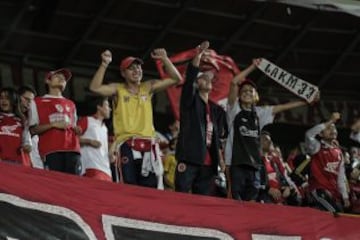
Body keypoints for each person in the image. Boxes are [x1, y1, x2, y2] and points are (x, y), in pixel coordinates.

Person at [89, 48, 181, 189]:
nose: (136, 70)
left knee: (150, 187)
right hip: (126, 144)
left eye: (138, 67)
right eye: (131, 68)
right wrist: (104, 64)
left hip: (148, 145)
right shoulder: (118, 89)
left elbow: (176, 79)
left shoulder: (148, 87)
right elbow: (95, 88)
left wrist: (165, 59)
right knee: (128, 185)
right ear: (123, 73)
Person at [225, 59, 312, 201]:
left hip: (254, 165)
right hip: (235, 163)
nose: (247, 92)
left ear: (255, 97)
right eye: (244, 91)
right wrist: (254, 66)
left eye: (250, 91)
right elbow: (234, 82)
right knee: (235, 200)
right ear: (239, 96)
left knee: (251, 202)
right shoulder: (233, 111)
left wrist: (304, 101)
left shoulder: (260, 114)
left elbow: (283, 107)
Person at [175, 41, 225, 196]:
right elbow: (189, 79)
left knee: (202, 202)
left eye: (209, 78)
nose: (208, 80)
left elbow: (216, 138)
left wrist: (221, 160)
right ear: (197, 83)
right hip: (189, 157)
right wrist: (199, 54)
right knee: (181, 196)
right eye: (203, 78)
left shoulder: (215, 109)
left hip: (209, 164)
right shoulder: (189, 101)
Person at [29, 68, 81, 175]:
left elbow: (73, 126)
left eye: (64, 79)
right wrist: (53, 125)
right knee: (56, 184)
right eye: (58, 76)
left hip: (72, 149)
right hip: (51, 150)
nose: (62, 79)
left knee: (74, 185)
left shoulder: (71, 104)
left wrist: (77, 130)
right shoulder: (37, 102)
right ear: (47, 80)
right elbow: (33, 130)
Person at [305, 112, 350, 213]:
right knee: (337, 214)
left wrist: (345, 196)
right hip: (319, 190)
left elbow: (341, 177)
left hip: (334, 193)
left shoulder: (339, 152)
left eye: (334, 128)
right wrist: (330, 121)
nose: (333, 130)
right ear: (320, 134)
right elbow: (308, 134)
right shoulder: (316, 147)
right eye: (328, 128)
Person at [78, 96, 112, 181]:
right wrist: (89, 141)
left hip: (107, 170)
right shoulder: (87, 120)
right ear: (99, 107)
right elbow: (72, 139)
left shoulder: (105, 128)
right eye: (107, 105)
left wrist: (111, 155)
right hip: (91, 167)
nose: (110, 109)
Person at [0, 87, 31, 165]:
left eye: (7, 98)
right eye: (1, 98)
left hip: (18, 162)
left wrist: (27, 147)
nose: (3, 101)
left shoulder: (22, 120)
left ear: (14, 100)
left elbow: (27, 142)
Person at [18, 85, 43, 169]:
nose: (29, 104)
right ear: (17, 97)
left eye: (31, 101)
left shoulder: (32, 120)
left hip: (31, 165)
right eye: (26, 99)